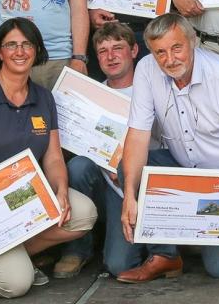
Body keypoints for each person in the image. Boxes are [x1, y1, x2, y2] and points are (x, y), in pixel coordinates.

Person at [0, 18, 98, 298]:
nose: (19, 51)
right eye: (11, 44)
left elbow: (53, 157)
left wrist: (60, 190)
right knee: (15, 285)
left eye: (26, 44)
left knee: (83, 213)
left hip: (22, 199)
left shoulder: (44, 98)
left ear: (37, 50)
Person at [116, 13, 219, 281]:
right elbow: (138, 135)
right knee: (129, 167)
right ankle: (165, 255)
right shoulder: (146, 69)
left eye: (177, 48)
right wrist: (129, 194)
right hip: (183, 168)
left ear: (193, 41)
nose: (170, 59)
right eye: (160, 52)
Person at [55, 22, 154, 279]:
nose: (110, 57)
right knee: (77, 166)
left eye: (118, 48)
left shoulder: (152, 91)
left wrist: (125, 165)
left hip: (133, 187)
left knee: (119, 266)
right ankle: (77, 248)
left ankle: (145, 239)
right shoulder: (90, 94)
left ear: (134, 51)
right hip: (100, 183)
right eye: (102, 51)